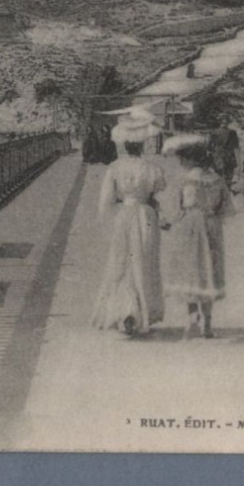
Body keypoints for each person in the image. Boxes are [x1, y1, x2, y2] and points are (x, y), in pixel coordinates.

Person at [92, 107, 165, 337]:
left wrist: (113, 213)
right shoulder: (151, 169)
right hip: (145, 216)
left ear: (124, 145)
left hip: (125, 215)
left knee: (122, 262)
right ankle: (139, 311)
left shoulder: (115, 168)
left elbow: (106, 201)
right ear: (142, 145)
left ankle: (124, 311)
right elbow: (157, 191)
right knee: (143, 262)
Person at [161, 135, 233, 339]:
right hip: (211, 226)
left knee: (191, 270)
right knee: (209, 270)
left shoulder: (183, 180)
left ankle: (193, 318)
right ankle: (208, 323)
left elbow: (174, 209)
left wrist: (170, 221)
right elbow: (226, 209)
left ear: (189, 160)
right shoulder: (217, 179)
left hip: (189, 225)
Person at [209, 113, 240, 191]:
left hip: (217, 157)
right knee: (228, 176)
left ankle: (219, 191)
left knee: (218, 175)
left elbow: (209, 147)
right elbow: (236, 146)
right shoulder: (232, 132)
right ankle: (227, 191)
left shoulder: (214, 132)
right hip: (229, 156)